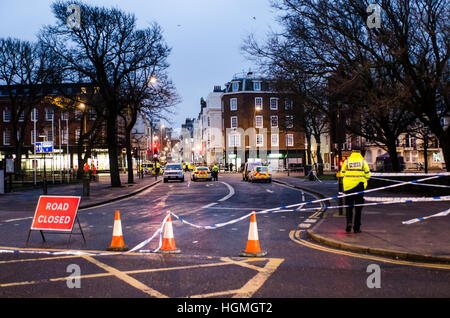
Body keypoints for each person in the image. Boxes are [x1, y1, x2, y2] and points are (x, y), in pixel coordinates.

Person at [340, 146, 371, 233]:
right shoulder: (363, 162)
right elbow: (368, 175)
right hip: (359, 187)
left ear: (352, 152)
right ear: (359, 152)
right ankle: (356, 228)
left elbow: (342, 174)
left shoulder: (347, 161)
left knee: (349, 207)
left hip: (348, 187)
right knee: (358, 208)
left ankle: (348, 223)